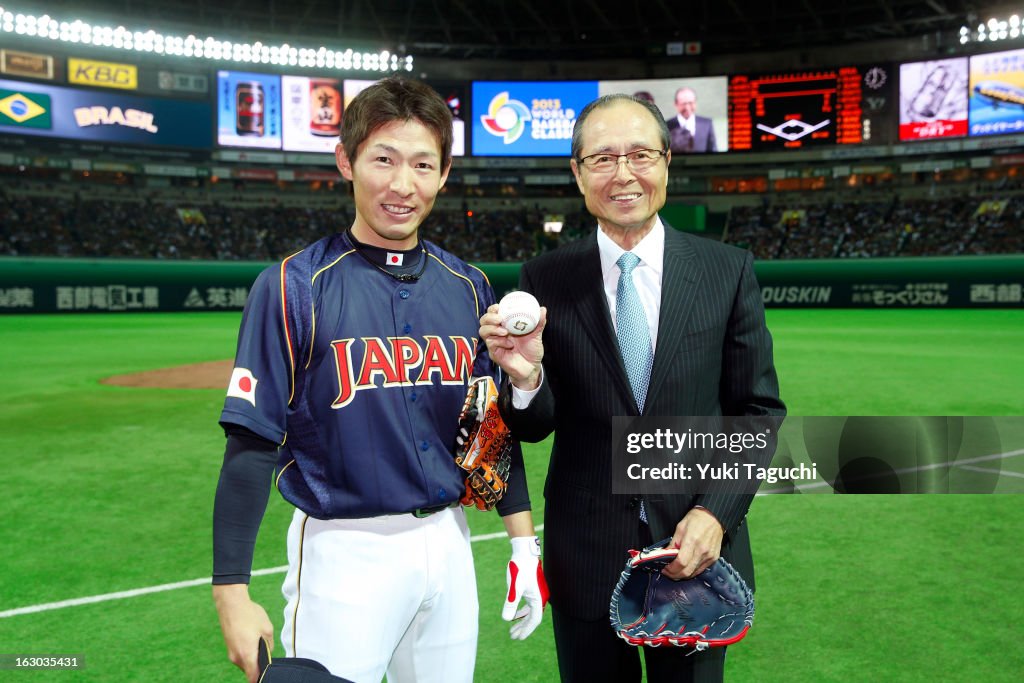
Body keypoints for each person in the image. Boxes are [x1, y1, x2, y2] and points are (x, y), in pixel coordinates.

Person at [212, 77, 545, 683]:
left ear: (444, 174)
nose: (402, 185)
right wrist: (231, 592)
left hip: (450, 541)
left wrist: (523, 542)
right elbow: (250, 445)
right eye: (383, 160)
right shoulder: (292, 286)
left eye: (422, 164)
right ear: (346, 161)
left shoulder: (468, 286)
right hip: (345, 553)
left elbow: (487, 428)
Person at [480, 94, 784, 682]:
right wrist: (526, 378)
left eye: (640, 155)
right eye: (602, 158)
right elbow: (536, 423)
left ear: (667, 162)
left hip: (696, 552)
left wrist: (715, 516)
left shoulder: (727, 270)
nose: (623, 174)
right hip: (587, 554)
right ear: (577, 172)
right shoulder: (544, 278)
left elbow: (758, 411)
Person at [666, 86, 717, 153]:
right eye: (683, 104)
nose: (687, 107)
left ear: (695, 103)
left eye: (690, 103)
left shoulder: (706, 124)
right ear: (676, 104)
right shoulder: (666, 126)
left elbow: (713, 151)